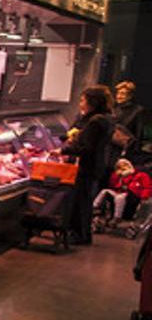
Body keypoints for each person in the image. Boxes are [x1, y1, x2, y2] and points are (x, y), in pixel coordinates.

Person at [61, 85, 115, 245]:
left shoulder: (96, 121)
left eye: (83, 100)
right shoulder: (103, 118)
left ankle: (80, 234)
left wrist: (63, 150)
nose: (80, 103)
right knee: (84, 200)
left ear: (93, 101)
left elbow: (86, 148)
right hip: (95, 165)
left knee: (81, 201)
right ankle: (82, 233)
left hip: (87, 166)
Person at [93, 158, 151, 227]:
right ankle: (95, 207)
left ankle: (117, 218)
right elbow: (115, 185)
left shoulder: (142, 176)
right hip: (120, 193)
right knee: (104, 191)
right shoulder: (122, 176)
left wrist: (144, 197)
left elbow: (148, 187)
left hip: (132, 197)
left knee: (119, 198)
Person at [114, 80, 144, 150]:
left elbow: (138, 133)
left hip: (127, 147)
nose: (119, 96)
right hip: (112, 147)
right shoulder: (114, 109)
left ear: (130, 96)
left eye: (122, 94)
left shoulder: (137, 110)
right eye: (118, 93)